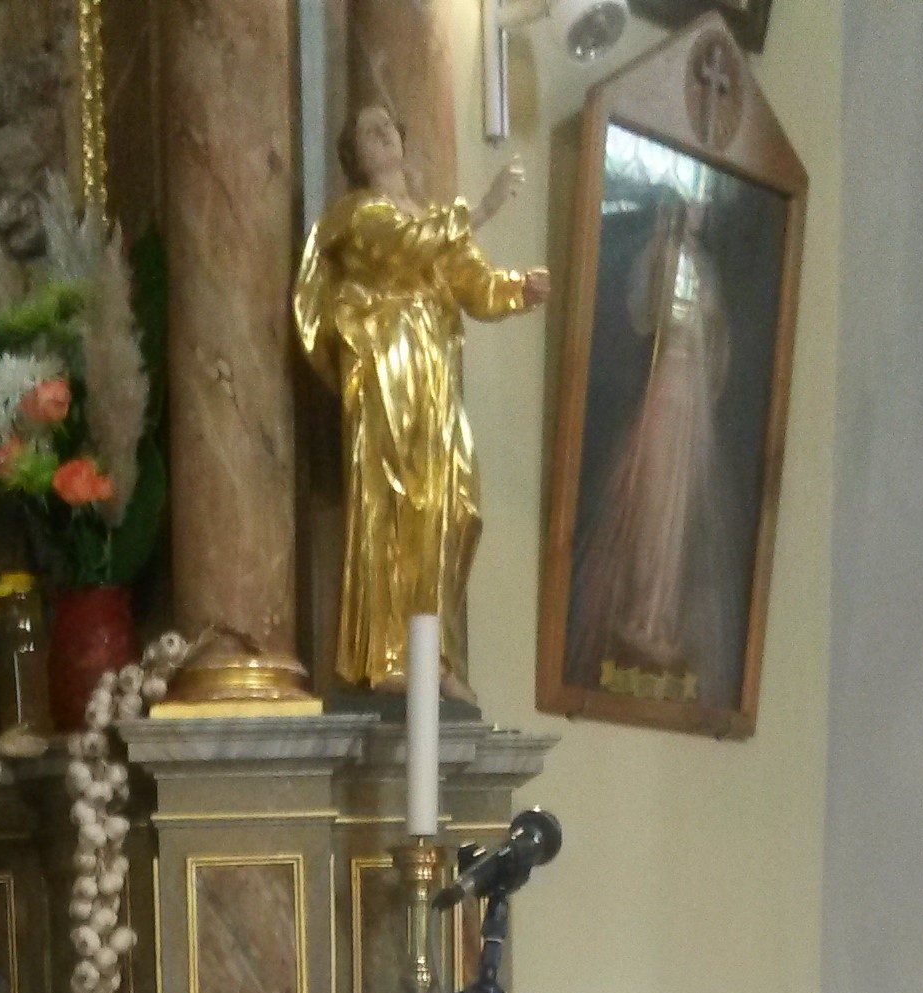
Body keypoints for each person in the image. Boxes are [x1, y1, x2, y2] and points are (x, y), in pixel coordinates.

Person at [295, 104, 547, 698]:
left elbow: (473, 285)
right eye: (368, 130)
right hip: (386, 367)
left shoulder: (434, 220)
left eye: (389, 124)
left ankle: (435, 654)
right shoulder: (357, 215)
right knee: (394, 501)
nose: (384, 132)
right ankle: (389, 656)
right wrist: (480, 210)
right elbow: (404, 247)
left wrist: (520, 288)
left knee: (455, 503)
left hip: (434, 373)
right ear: (354, 158)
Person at [568, 191, 738, 708]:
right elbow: (645, 318)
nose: (701, 213)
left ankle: (661, 618)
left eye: (705, 205)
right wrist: (667, 269)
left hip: (692, 403)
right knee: (653, 502)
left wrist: (705, 326)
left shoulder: (705, 270)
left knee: (678, 515)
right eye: (694, 204)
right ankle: (642, 612)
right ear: (678, 208)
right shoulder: (663, 255)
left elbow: (715, 339)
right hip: (665, 388)